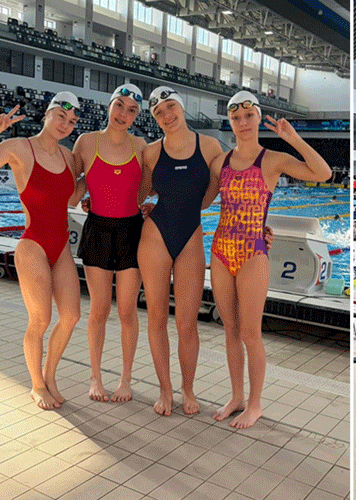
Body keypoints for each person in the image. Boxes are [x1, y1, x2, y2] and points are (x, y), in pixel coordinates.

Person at [205, 90, 331, 428]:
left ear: (259, 118)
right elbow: (202, 203)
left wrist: (294, 139)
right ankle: (236, 396)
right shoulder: (221, 161)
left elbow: (323, 174)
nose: (243, 123)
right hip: (220, 250)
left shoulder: (273, 159)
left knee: (250, 332)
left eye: (249, 117)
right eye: (236, 118)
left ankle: (256, 404)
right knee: (229, 329)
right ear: (229, 122)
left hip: (253, 253)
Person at [0, 93, 82, 409]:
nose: (66, 125)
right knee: (40, 319)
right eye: (61, 116)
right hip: (32, 246)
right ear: (47, 114)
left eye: (72, 122)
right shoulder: (20, 148)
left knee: (71, 315)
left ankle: (50, 375)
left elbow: (71, 197)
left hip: (62, 248)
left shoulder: (69, 158)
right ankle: (36, 385)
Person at [137, 86, 224, 416]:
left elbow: (217, 191)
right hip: (155, 236)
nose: (166, 114)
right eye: (159, 112)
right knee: (157, 316)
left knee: (187, 323)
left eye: (170, 106)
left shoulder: (211, 146)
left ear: (182, 107)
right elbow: (141, 195)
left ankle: (188, 388)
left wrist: (259, 224)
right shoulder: (150, 152)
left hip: (190, 237)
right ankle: (165, 389)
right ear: (155, 119)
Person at [71, 84, 148, 403]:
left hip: (132, 231)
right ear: (109, 106)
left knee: (128, 311)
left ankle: (126, 380)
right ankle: (96, 379)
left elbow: (148, 190)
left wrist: (153, 205)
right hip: (97, 230)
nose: (124, 114)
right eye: (120, 105)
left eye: (131, 110)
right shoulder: (86, 142)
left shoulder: (142, 145)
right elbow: (71, 185)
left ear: (137, 116)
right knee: (99, 310)